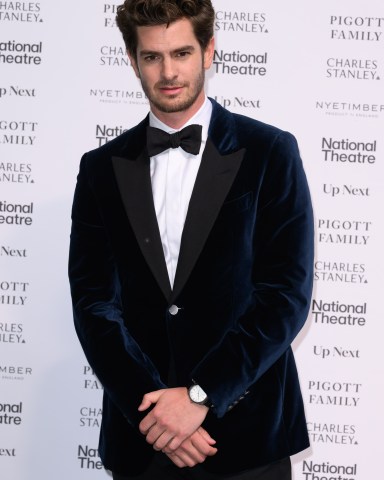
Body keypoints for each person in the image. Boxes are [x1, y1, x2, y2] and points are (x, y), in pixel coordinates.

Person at [68, 0, 314, 479]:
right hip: (144, 441)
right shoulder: (100, 168)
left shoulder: (270, 152)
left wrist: (202, 396)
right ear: (131, 58)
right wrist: (157, 416)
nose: (167, 72)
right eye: (152, 57)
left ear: (208, 51)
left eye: (181, 53)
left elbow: (285, 294)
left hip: (247, 437)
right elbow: (94, 304)